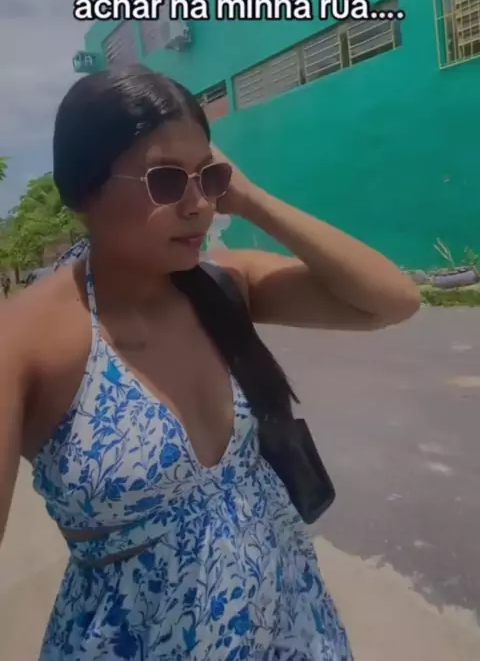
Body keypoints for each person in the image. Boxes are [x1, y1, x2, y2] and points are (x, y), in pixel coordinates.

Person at [0, 67, 420, 661]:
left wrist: (249, 198)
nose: (198, 205)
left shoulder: (225, 285)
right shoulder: (26, 342)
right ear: (82, 190)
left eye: (209, 177)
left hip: (294, 627)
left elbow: (392, 300)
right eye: (166, 180)